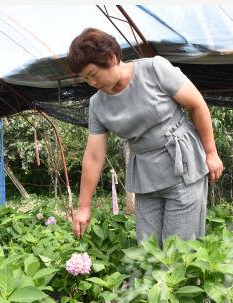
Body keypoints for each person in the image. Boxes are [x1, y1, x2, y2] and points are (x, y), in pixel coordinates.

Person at [66, 28, 224, 246]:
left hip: (182, 163)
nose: (92, 83)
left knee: (178, 248)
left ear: (111, 58)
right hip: (145, 174)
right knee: (147, 247)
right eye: (85, 79)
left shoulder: (154, 69)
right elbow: (94, 155)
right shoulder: (97, 104)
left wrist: (211, 152)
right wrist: (84, 207)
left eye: (93, 74)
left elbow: (197, 105)